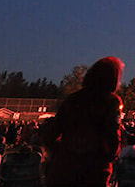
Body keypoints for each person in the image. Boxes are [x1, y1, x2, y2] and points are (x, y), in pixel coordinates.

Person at [42, 56, 125, 187]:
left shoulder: (72, 99)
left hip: (64, 169)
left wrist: (61, 150)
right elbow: (113, 135)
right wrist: (109, 156)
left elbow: (52, 132)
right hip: (93, 170)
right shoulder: (110, 102)